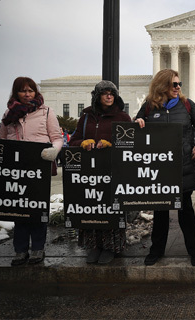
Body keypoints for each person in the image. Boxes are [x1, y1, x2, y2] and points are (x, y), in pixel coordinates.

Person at [135, 69, 195, 267]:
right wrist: (138, 122)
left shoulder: (187, 105)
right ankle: (156, 251)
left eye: (179, 84)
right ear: (163, 86)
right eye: (174, 84)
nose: (178, 88)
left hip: (181, 165)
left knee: (186, 212)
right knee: (160, 212)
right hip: (158, 168)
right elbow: (135, 126)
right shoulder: (149, 107)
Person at [0, 77, 63, 266]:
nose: (27, 94)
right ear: (16, 93)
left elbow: (57, 137)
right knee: (19, 209)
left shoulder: (46, 112)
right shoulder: (9, 113)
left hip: (38, 166)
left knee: (37, 208)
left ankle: (37, 248)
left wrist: (54, 150)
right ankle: (20, 250)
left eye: (31, 90)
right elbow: (2, 141)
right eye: (23, 91)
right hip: (16, 167)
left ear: (36, 92)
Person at [68, 80, 132, 264]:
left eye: (112, 93)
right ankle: (94, 247)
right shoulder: (86, 117)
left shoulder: (123, 118)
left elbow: (131, 146)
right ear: (97, 96)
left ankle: (112, 247)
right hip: (90, 173)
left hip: (113, 172)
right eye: (105, 93)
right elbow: (73, 141)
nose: (109, 96)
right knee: (92, 207)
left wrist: (112, 145)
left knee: (112, 208)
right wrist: (82, 142)